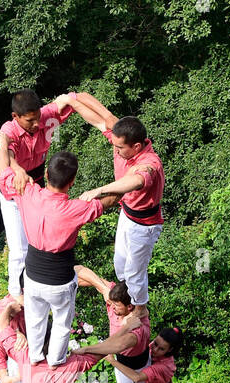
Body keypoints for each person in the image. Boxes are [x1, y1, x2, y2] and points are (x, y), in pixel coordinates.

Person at [0, 150, 108, 366]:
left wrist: (6, 145)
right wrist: (103, 190)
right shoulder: (75, 208)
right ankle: (56, 362)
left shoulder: (27, 192)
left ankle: (35, 357)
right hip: (60, 281)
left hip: (32, 277)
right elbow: (108, 202)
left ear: (46, 174)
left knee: (35, 320)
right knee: (61, 323)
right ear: (72, 181)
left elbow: (2, 170)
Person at [64, 93, 165, 306]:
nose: (116, 150)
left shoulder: (150, 163)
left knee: (134, 273)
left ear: (136, 146)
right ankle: (124, 300)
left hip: (144, 224)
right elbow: (103, 118)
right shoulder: (123, 137)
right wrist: (73, 100)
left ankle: (139, 310)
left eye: (120, 148)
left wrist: (100, 190)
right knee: (120, 266)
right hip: (127, 214)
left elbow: (136, 181)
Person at [0, 89, 79, 297]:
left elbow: (73, 100)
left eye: (38, 118)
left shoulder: (45, 117)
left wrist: (69, 99)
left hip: (39, 188)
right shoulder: (9, 131)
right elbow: (2, 162)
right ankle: (15, 293)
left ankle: (35, 285)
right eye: (30, 121)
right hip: (15, 192)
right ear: (16, 117)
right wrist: (17, 168)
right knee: (19, 248)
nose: (36, 125)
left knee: (39, 242)